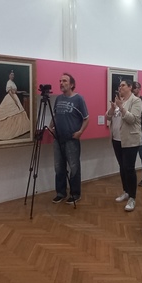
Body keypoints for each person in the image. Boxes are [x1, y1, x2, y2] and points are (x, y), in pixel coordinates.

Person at [50, 73, 89, 205]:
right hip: (58, 139)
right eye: (60, 81)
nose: (61, 83)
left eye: (64, 81)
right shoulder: (58, 99)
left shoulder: (79, 99)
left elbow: (86, 118)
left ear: (72, 84)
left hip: (71, 140)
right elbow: (55, 115)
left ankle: (75, 193)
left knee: (74, 167)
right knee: (58, 167)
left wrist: (80, 132)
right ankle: (61, 193)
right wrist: (51, 127)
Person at [107, 80, 142, 212]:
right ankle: (126, 191)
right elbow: (108, 117)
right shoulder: (118, 101)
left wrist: (121, 107)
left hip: (130, 140)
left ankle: (132, 197)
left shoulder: (136, 101)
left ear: (130, 87)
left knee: (129, 168)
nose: (120, 87)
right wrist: (112, 108)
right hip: (116, 140)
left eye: (123, 85)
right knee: (122, 167)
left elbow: (132, 119)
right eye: (119, 85)